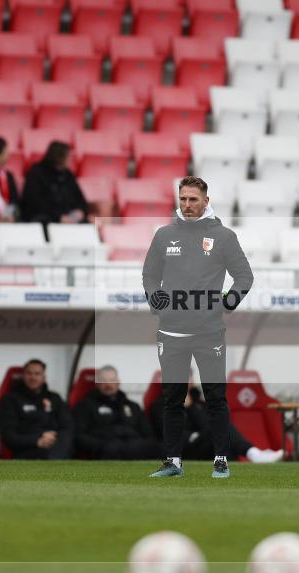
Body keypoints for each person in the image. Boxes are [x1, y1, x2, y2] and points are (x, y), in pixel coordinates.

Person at [142, 176, 254, 479]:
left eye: (193, 199)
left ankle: (221, 460)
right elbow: (150, 276)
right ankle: (173, 462)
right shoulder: (164, 235)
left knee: (215, 398)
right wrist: (155, 298)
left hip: (209, 332)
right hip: (171, 332)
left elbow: (244, 276)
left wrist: (228, 302)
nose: (187, 205)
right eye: (183, 199)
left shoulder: (224, 236)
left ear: (206, 201)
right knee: (172, 399)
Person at [147, 373, 283, 463]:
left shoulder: (199, 403)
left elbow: (206, 424)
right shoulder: (159, 405)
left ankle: (248, 457)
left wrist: (191, 407)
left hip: (205, 445)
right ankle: (252, 453)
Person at [72, 365, 163, 460]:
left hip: (135, 449)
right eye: (103, 380)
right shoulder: (85, 406)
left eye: (112, 380)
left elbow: (149, 435)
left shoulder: (133, 406)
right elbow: (79, 436)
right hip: (105, 452)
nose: (108, 384)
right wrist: (101, 446)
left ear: (118, 382)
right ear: (97, 384)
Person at [0, 359, 73, 460]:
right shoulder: (10, 400)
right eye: (29, 373)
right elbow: (8, 436)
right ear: (23, 376)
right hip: (27, 451)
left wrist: (54, 440)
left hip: (57, 448)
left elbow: (67, 427)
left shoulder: (55, 398)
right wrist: (37, 440)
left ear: (44, 377)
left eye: (37, 374)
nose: (33, 377)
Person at [19, 141, 88, 225]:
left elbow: (80, 200)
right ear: (59, 156)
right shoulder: (37, 172)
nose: (71, 160)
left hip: (69, 218)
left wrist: (80, 211)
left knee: (94, 221)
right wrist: (58, 216)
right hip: (46, 218)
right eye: (68, 156)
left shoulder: (68, 175)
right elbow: (35, 202)